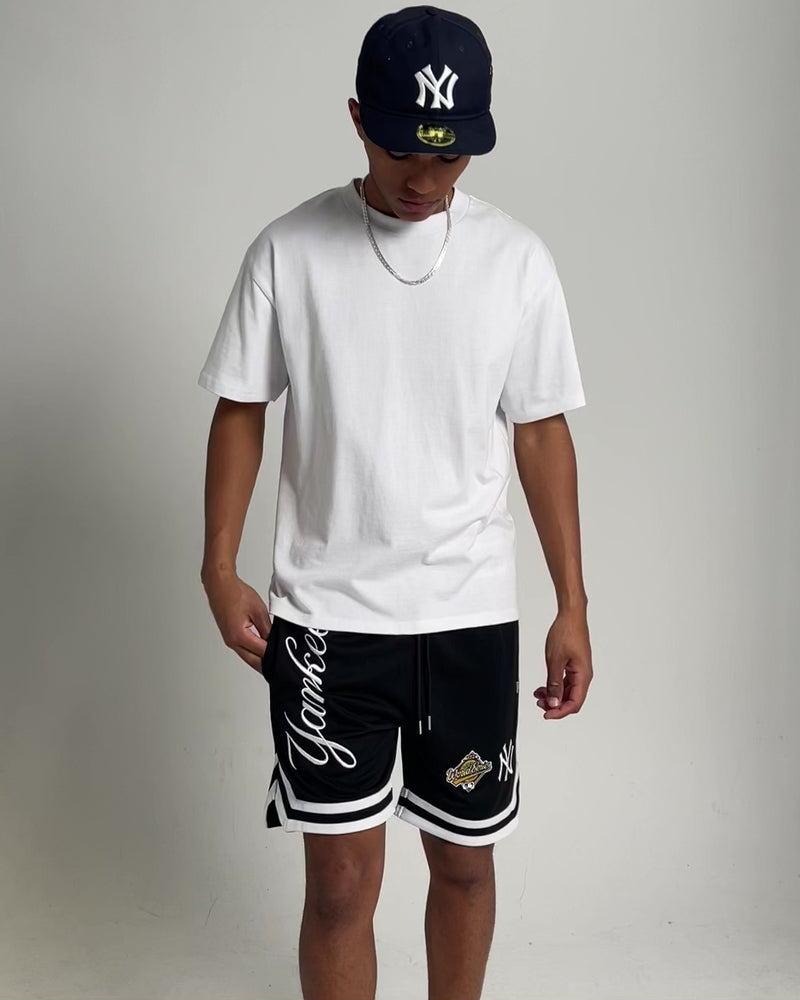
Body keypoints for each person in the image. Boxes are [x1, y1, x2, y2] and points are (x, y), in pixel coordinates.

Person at [197, 6, 593, 999]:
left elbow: (540, 432)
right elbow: (241, 406)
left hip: (467, 616)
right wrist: (218, 563)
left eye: (450, 155)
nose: (425, 178)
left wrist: (572, 604)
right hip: (328, 619)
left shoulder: (514, 261)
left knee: (463, 861)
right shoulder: (289, 251)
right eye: (402, 150)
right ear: (356, 120)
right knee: (339, 884)